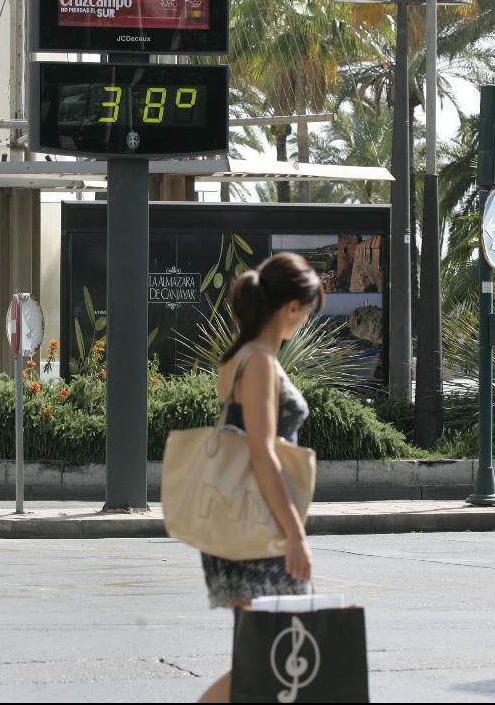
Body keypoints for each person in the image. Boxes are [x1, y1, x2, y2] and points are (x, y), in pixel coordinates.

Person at [198, 251, 325, 704]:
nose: (304, 324)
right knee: (276, 657)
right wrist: (295, 534)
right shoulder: (260, 363)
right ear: (292, 307)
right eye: (307, 313)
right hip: (261, 527)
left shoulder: (240, 356)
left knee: (265, 659)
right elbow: (262, 450)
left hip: (242, 522)